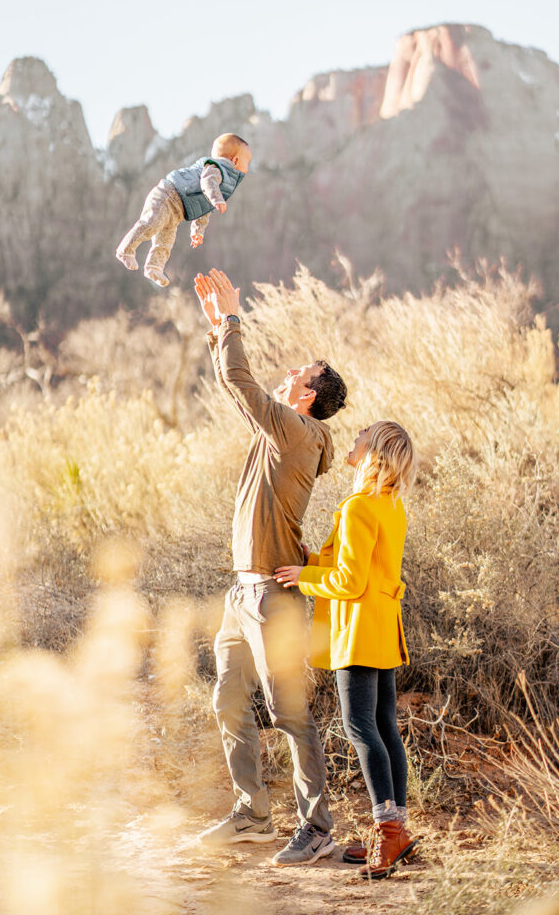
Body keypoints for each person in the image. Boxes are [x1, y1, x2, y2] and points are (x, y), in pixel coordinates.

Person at [194, 268, 348, 867]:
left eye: (298, 376)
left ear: (307, 395)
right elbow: (235, 386)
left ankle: (317, 828)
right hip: (243, 595)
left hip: (273, 599)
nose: (288, 377)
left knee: (289, 713)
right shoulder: (281, 430)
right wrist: (217, 332)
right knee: (228, 700)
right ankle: (253, 814)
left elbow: (241, 378)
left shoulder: (297, 433)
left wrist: (233, 321)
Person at [274, 420, 418, 880]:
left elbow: (351, 582)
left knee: (360, 727)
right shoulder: (391, 505)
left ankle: (388, 832)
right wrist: (313, 561)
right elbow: (365, 571)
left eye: (362, 434)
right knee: (383, 726)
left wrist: (304, 577)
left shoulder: (358, 507)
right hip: (382, 627)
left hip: (357, 631)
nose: (354, 436)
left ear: (373, 452)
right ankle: (397, 831)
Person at [116, 134, 251, 287]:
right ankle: (125, 250)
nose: (248, 168)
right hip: (167, 196)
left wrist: (197, 231)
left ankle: (154, 267)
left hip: (177, 213)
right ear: (236, 161)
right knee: (150, 224)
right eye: (248, 162)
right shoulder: (216, 168)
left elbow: (204, 208)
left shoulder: (224, 182)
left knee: (165, 241)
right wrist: (217, 199)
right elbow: (208, 184)